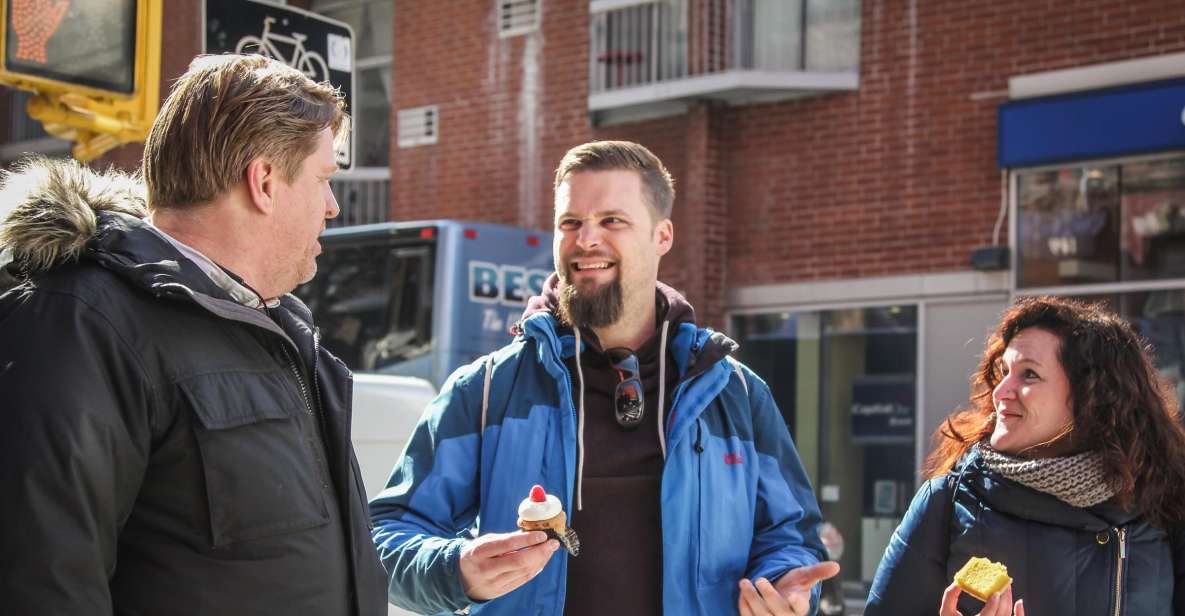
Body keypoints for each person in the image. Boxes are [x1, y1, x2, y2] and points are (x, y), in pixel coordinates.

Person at [370, 140, 837, 615]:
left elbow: (792, 537)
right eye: (570, 223)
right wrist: (456, 569)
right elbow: (385, 536)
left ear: (662, 236)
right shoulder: (489, 390)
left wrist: (786, 588)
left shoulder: (734, 393)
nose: (587, 239)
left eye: (613, 221)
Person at [0, 54, 387, 615]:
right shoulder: (83, 322)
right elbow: (41, 582)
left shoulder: (280, 330)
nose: (332, 206)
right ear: (264, 181)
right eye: (325, 179)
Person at [864, 296, 1185, 616]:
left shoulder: (1163, 501)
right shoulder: (947, 501)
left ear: (1094, 397)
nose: (1001, 392)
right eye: (1004, 371)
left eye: (1028, 374)